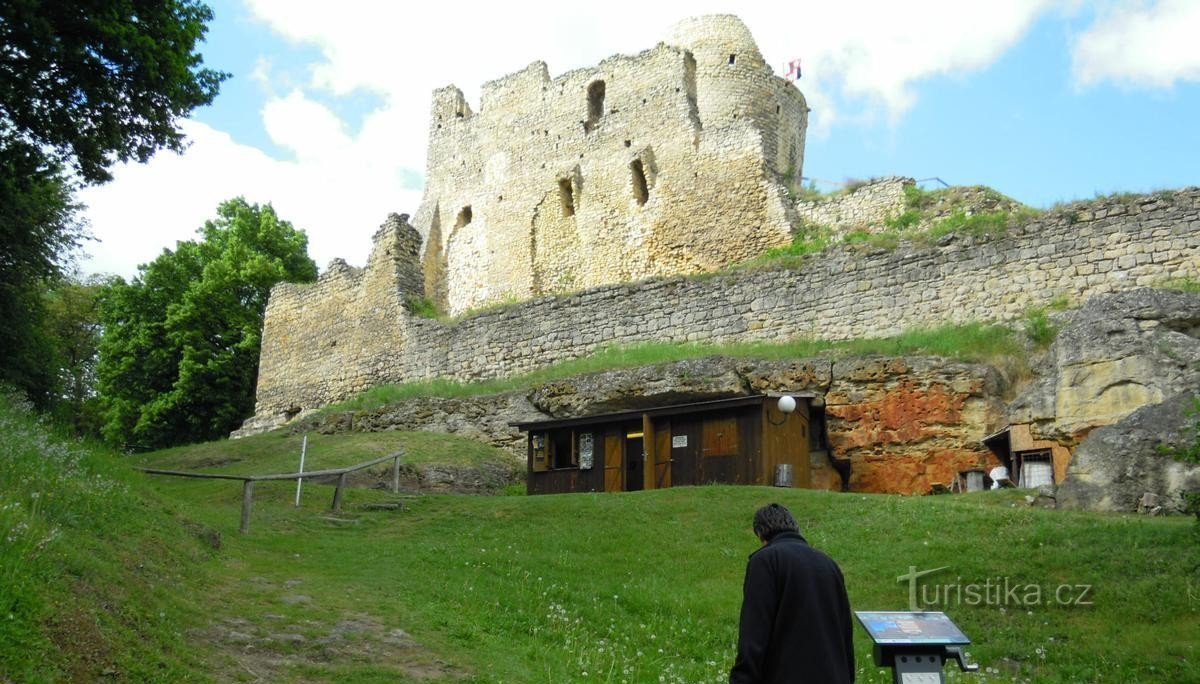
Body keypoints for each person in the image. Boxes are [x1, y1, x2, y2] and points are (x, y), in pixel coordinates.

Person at [730, 503, 855, 683]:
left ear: (761, 534)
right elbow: (845, 635)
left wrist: (742, 678)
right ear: (796, 527)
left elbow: (755, 632)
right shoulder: (829, 564)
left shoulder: (766, 560)